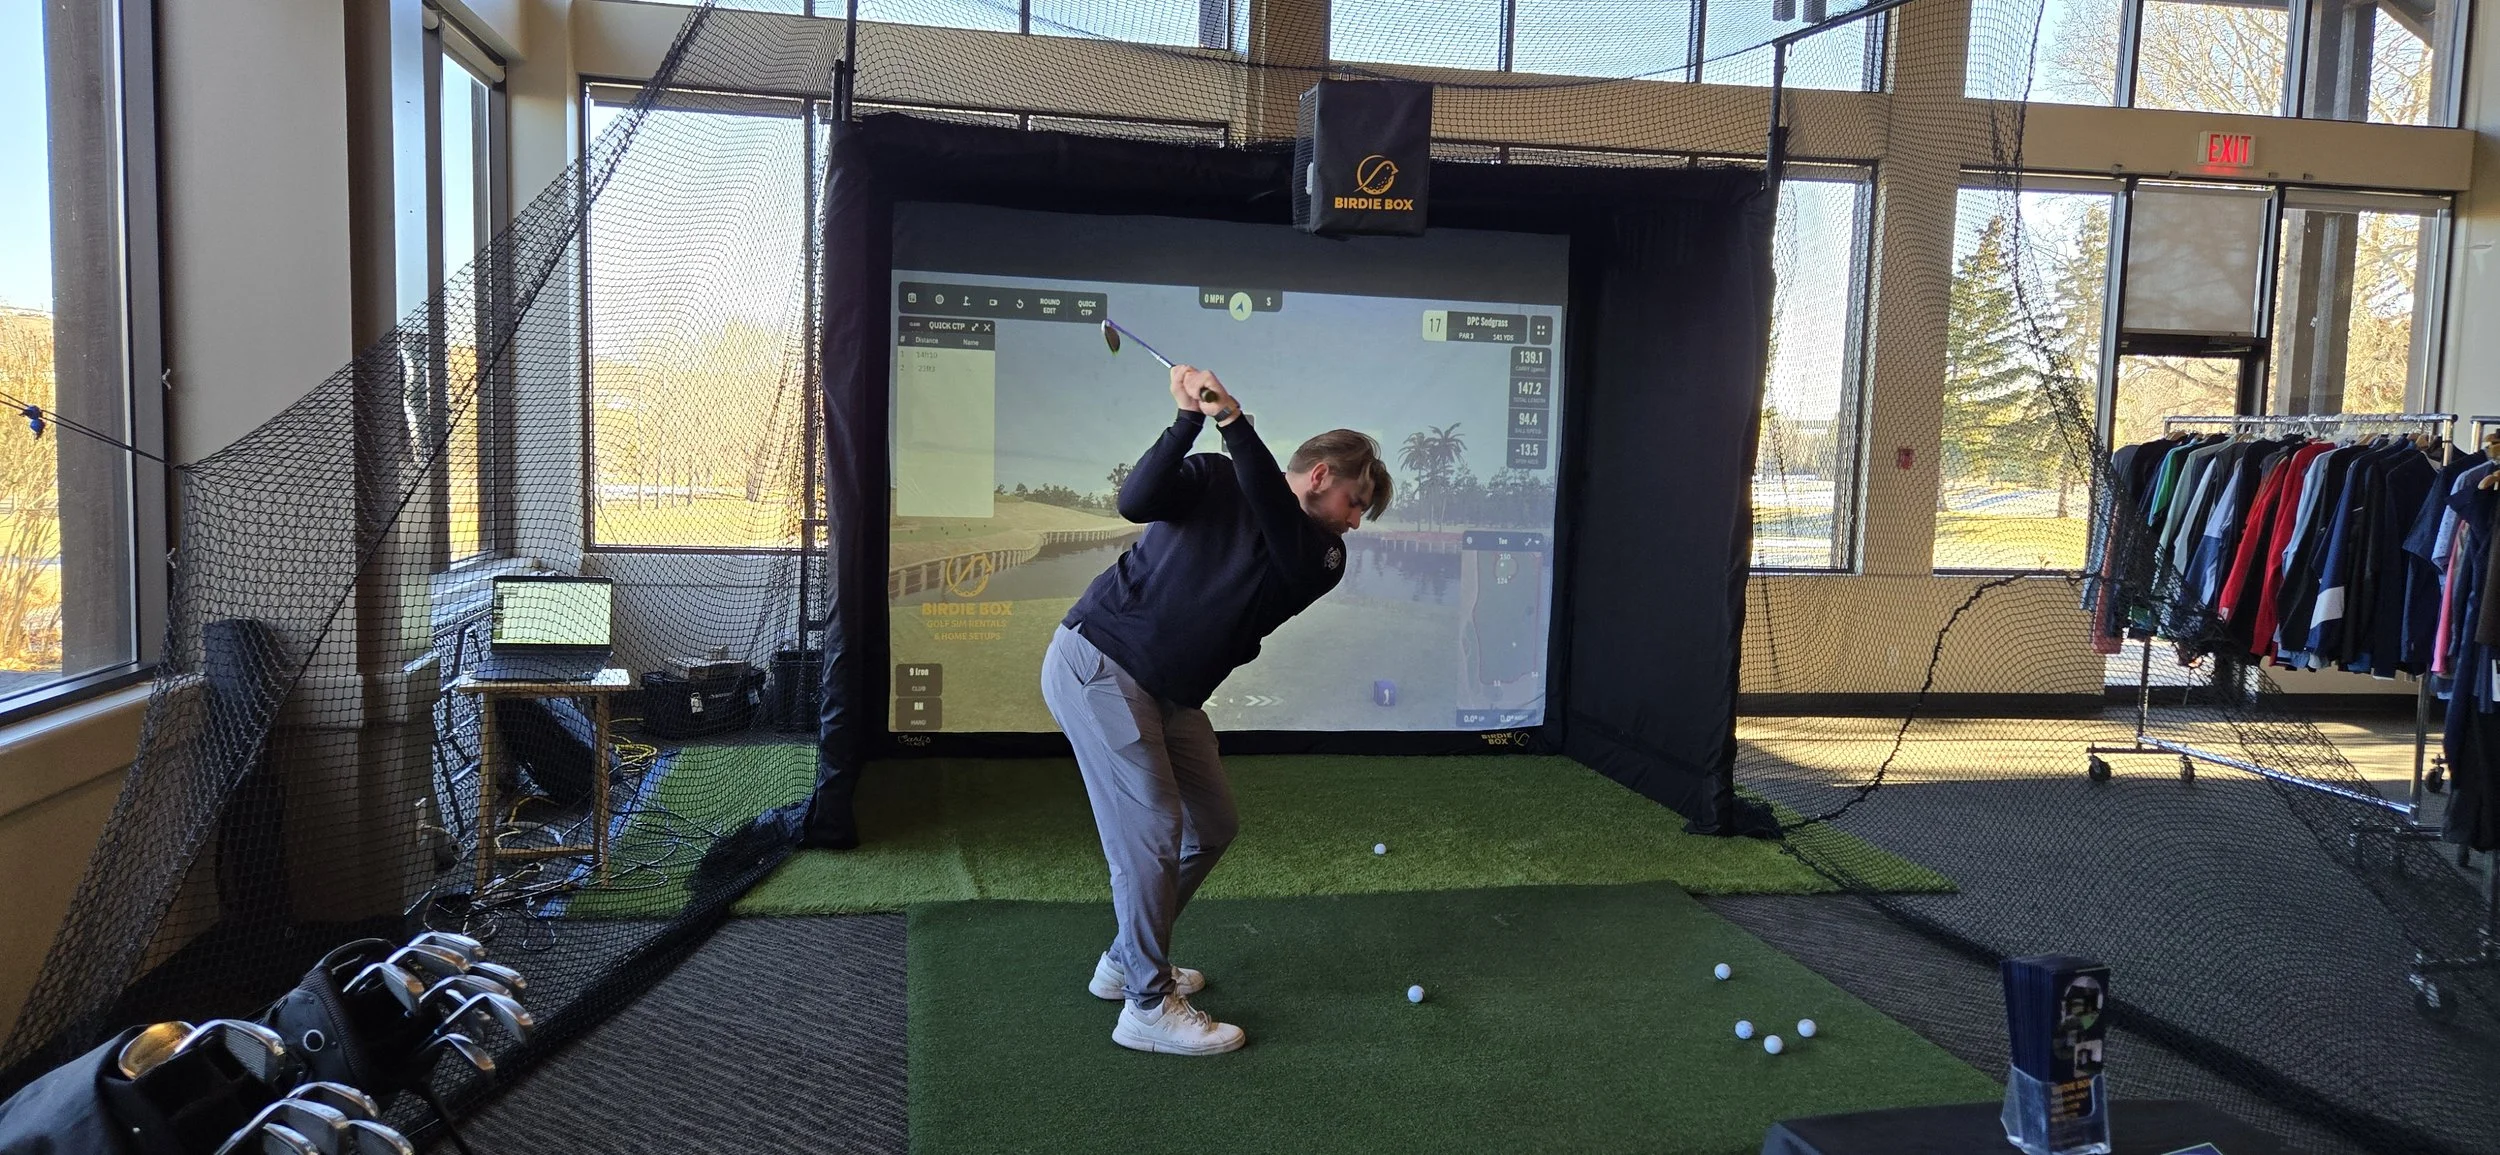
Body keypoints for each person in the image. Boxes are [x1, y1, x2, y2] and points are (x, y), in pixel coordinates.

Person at [1039, 363, 1391, 1055]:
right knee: (1153, 828)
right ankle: (1146, 1005)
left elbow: (1276, 517)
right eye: (1355, 502)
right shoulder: (1216, 475)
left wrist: (1234, 422)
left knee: (1213, 824)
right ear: (1321, 475)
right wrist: (1190, 421)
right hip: (1101, 663)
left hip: (1171, 695)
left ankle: (1126, 960)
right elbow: (1135, 501)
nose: (1356, 521)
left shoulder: (1322, 555)